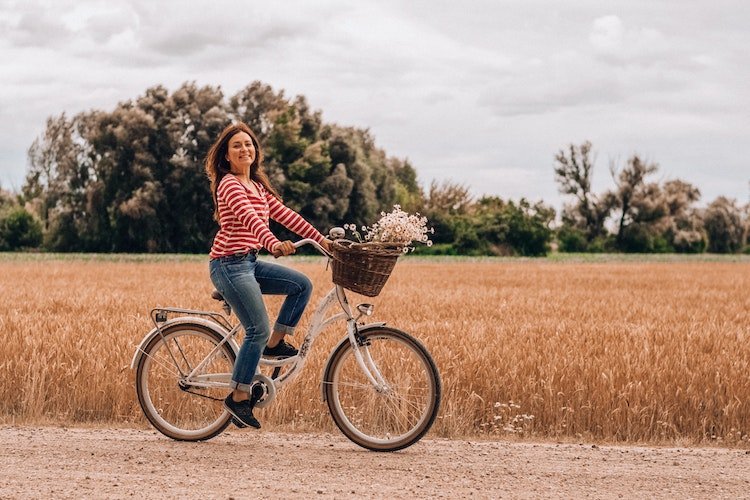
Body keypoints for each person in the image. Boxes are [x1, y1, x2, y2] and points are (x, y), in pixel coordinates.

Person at [205, 122, 331, 429]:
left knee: (301, 284)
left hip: (249, 262)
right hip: (228, 265)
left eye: (248, 144)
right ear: (227, 156)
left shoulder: (257, 187)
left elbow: (286, 215)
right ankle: (237, 398)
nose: (244, 149)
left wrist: (323, 241)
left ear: (255, 151)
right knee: (256, 329)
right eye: (236, 146)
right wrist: (271, 242)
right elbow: (250, 219)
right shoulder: (229, 185)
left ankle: (276, 344)